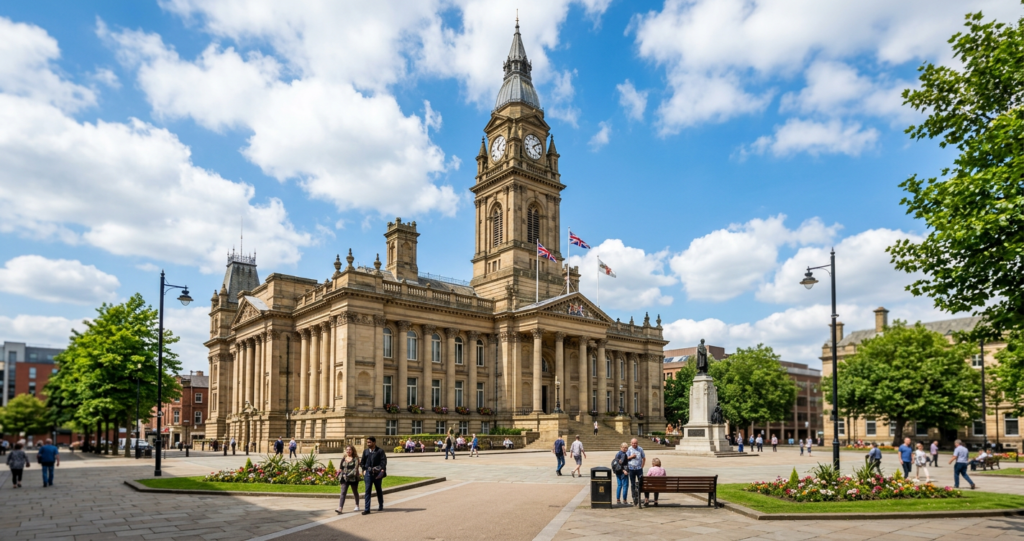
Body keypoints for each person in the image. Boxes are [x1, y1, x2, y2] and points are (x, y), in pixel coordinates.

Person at [359, 436, 387, 514]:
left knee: (378, 490)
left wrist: (381, 469)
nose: (368, 444)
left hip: (377, 474)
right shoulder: (366, 452)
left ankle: (380, 505)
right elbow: (362, 462)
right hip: (368, 474)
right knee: (367, 491)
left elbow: (383, 461)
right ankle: (367, 509)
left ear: (374, 442)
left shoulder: (380, 451)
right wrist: (364, 469)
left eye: (369, 442)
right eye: (367, 442)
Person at [336, 445, 361, 514]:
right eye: (347, 450)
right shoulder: (344, 458)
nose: (348, 451)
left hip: (353, 478)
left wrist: (348, 474)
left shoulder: (356, 459)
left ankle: (357, 505)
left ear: (352, 451)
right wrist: (339, 475)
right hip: (344, 478)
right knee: (343, 492)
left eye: (350, 450)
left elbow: (355, 469)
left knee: (355, 491)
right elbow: (341, 468)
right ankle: (340, 508)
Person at [626, 438, 646, 506]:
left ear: (637, 443)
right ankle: (634, 498)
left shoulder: (640, 449)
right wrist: (631, 456)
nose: (634, 444)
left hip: (639, 468)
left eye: (635, 443)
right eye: (633, 443)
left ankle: (639, 496)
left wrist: (642, 465)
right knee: (632, 484)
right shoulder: (629, 449)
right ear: (630, 443)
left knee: (641, 483)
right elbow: (625, 458)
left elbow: (644, 458)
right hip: (631, 468)